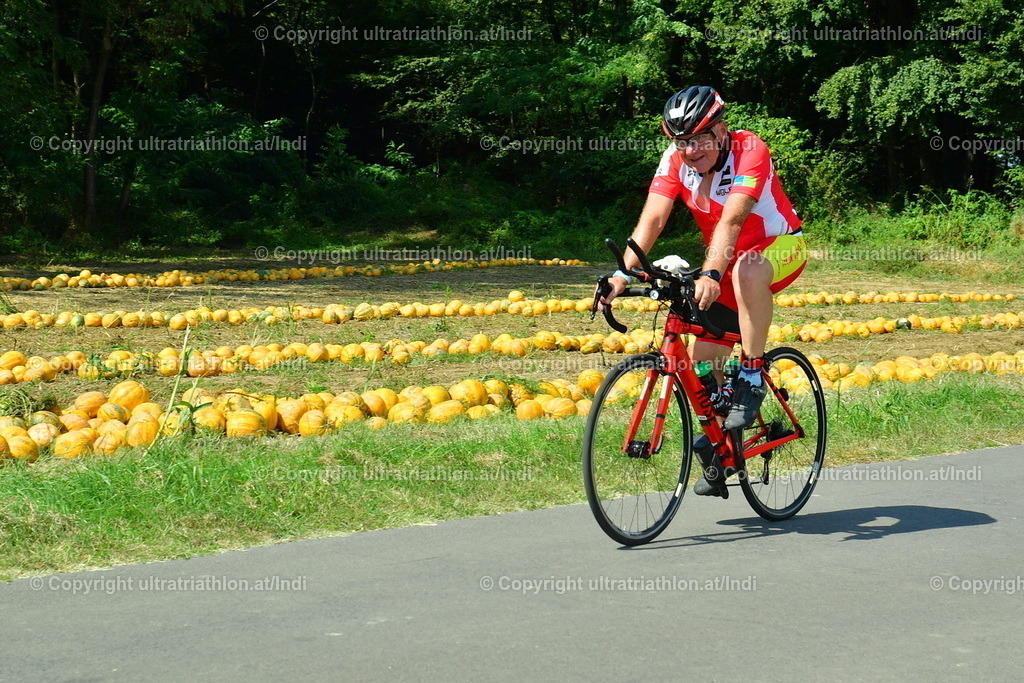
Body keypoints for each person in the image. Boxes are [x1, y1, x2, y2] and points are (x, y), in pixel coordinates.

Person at [597, 85, 807, 495]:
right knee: (700, 364)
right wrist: (621, 274)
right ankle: (723, 449)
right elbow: (652, 221)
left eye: (699, 138)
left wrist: (711, 273)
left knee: (746, 270)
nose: (691, 150)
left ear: (721, 130)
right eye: (682, 141)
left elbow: (732, 222)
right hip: (724, 261)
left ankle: (752, 374)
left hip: (778, 248)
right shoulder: (675, 160)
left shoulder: (750, 151)